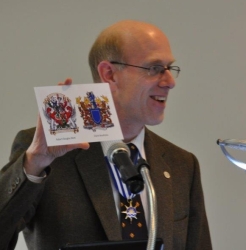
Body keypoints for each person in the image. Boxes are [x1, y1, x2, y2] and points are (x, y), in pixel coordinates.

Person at [0, 20, 212, 250]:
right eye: (154, 68)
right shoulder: (49, 153)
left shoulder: (181, 164)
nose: (170, 82)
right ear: (110, 74)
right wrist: (34, 163)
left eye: (170, 68)